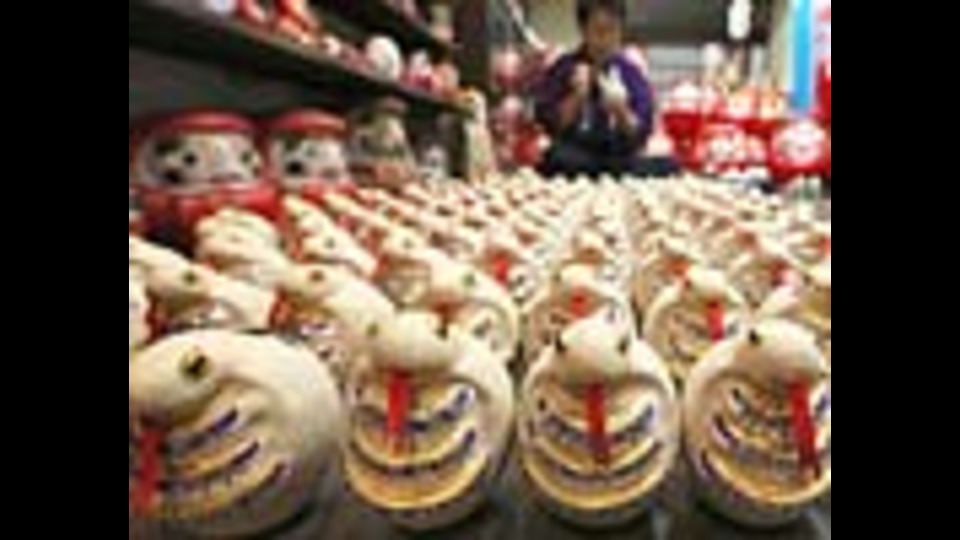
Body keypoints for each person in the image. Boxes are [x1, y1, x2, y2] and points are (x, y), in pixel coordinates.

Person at [534, 0, 657, 179]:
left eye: (612, 30)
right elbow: (548, 124)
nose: (605, 40)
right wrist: (576, 98)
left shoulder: (630, 73)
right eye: (598, 31)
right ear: (583, 31)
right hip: (575, 157)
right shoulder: (563, 68)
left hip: (618, 159)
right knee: (556, 157)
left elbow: (641, 135)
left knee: (667, 164)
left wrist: (621, 111)